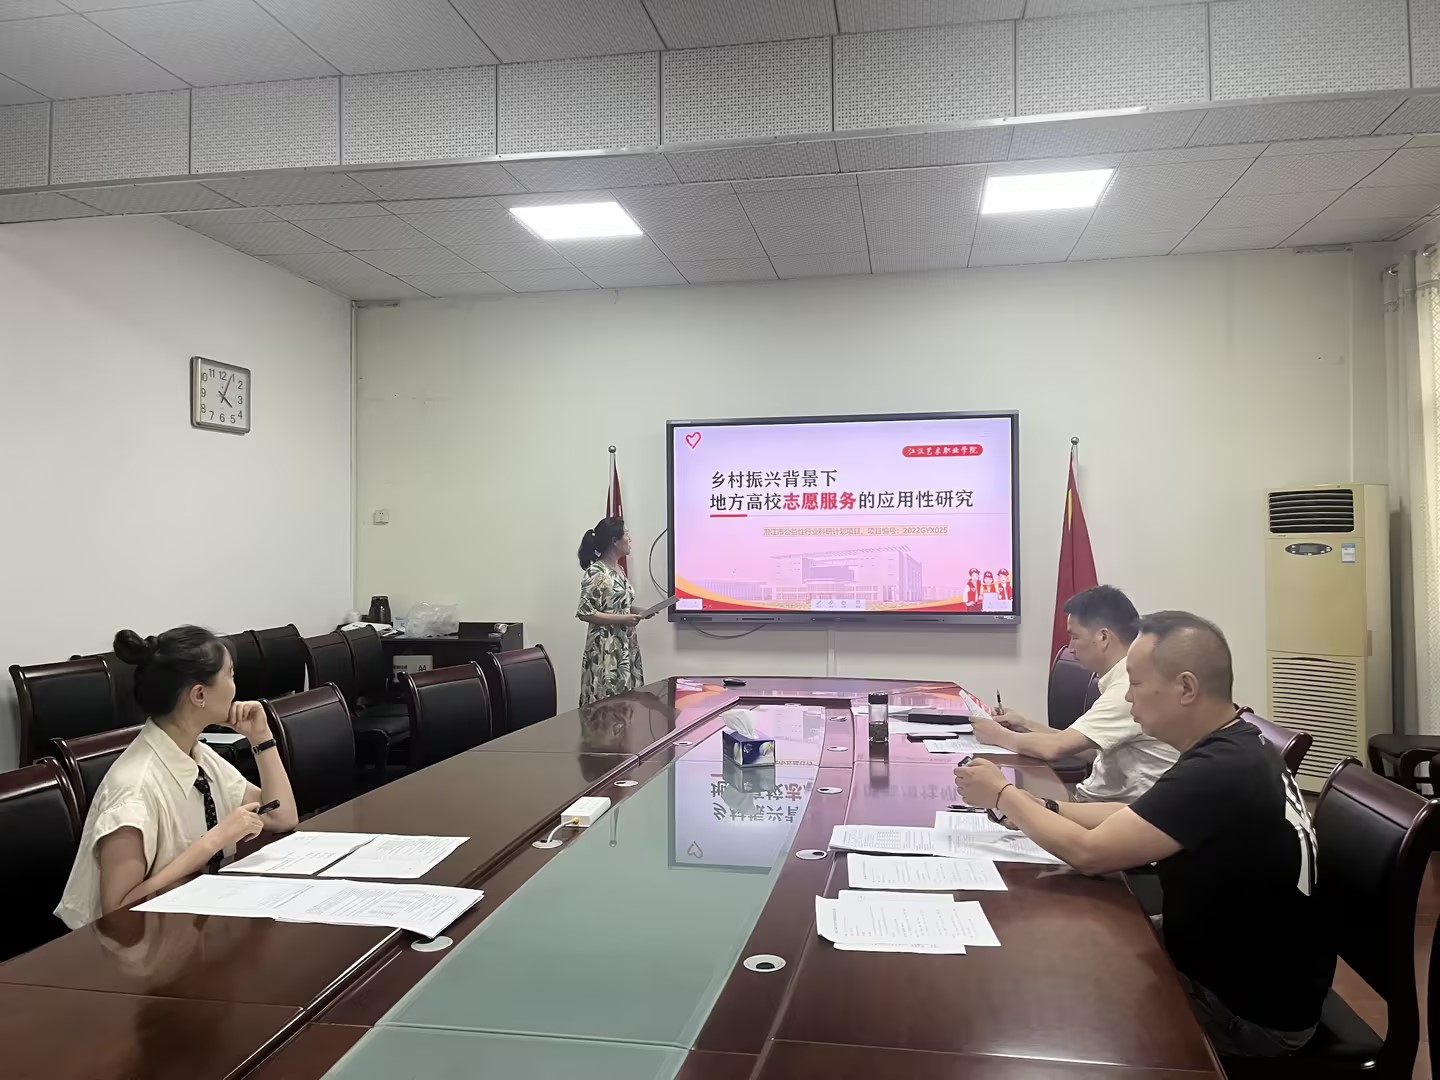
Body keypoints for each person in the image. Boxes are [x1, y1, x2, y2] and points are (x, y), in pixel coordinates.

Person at [954, 612, 1334, 1057]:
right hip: (1224, 957)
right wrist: (1045, 807)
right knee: (1060, 941)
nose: (1127, 696)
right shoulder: (1235, 744)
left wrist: (1003, 795)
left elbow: (1090, 854)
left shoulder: (1221, 771)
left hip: (1245, 1011)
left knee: (1047, 995)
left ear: (1186, 688)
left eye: (1135, 683)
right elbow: (1139, 814)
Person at [55, 626, 299, 929]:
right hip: (133, 949)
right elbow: (117, 916)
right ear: (199, 695)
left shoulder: (196, 754)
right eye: (230, 675)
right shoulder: (134, 790)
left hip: (190, 929)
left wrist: (261, 738)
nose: (236, 687)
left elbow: (281, 816)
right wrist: (214, 841)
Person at [970, 585, 1178, 802]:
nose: (1070, 647)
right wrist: (1025, 725)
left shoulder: (1126, 688)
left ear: (1103, 637)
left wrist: (996, 735)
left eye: (1075, 637)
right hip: (1095, 803)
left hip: (1114, 813)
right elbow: (1088, 748)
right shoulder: (1122, 679)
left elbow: (1055, 748)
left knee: (998, 797)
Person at [576, 516, 655, 705]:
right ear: (614, 541)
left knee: (626, 700)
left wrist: (639, 611)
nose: (630, 539)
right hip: (606, 646)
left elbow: (616, 606)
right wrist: (623, 619)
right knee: (607, 702)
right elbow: (585, 612)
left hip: (625, 644)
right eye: (626, 535)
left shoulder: (619, 569)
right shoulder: (596, 572)